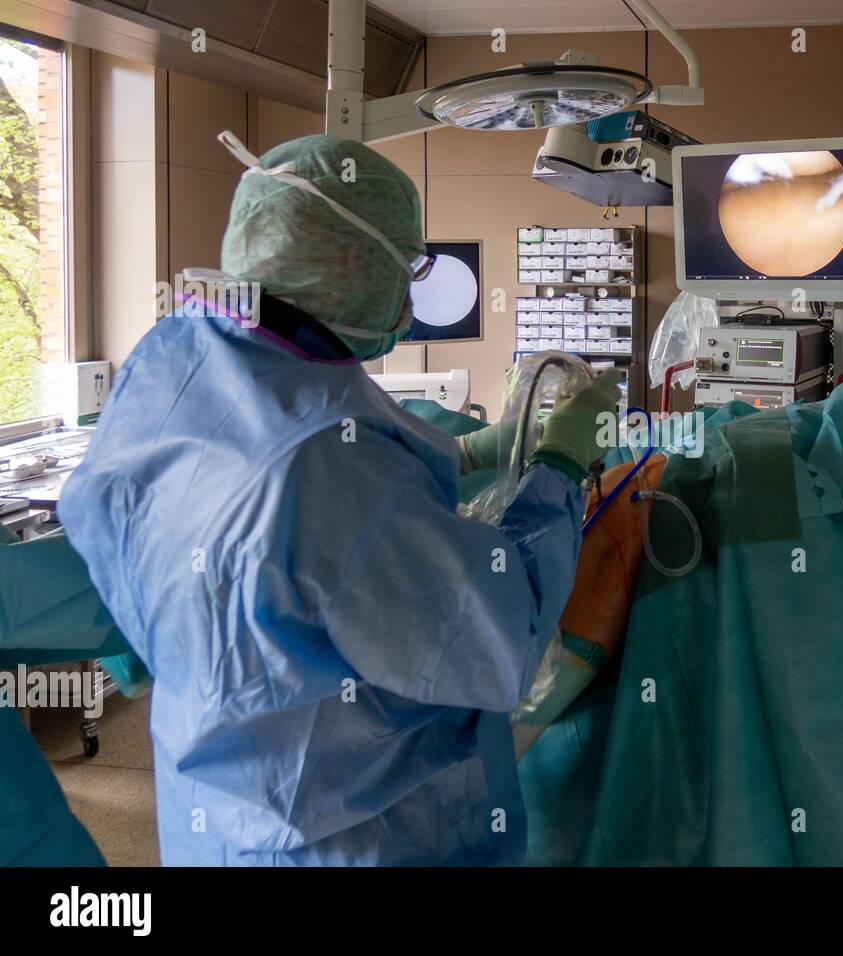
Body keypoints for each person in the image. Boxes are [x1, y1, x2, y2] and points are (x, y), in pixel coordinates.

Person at [59, 132, 620, 865]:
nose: (409, 289)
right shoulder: (326, 466)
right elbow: (495, 638)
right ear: (357, 259)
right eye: (409, 264)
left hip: (215, 799)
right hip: (347, 827)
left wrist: (469, 452)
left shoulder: (180, 354)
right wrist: (556, 468)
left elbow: (137, 512)